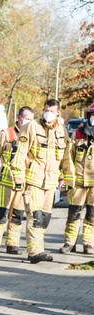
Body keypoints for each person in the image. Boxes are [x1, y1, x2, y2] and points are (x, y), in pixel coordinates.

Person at [13, 99, 70, 263]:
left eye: (52, 110)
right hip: (33, 180)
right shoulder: (31, 127)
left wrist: (65, 177)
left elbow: (65, 158)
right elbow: (20, 154)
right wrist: (18, 178)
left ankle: (38, 248)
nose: (48, 113)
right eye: (46, 109)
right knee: (35, 216)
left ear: (58, 113)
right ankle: (34, 252)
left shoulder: (62, 130)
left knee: (45, 218)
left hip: (50, 183)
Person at [0, 106, 35, 256]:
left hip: (22, 184)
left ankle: (12, 245)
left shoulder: (31, 136)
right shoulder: (6, 135)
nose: (28, 122)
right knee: (0, 215)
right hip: (4, 184)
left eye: (31, 119)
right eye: (26, 118)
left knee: (17, 216)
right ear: (19, 118)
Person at [59, 102, 94, 255]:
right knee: (73, 215)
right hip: (78, 184)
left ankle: (88, 244)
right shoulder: (78, 134)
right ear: (88, 116)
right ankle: (69, 243)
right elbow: (68, 158)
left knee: (91, 216)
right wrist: (65, 179)